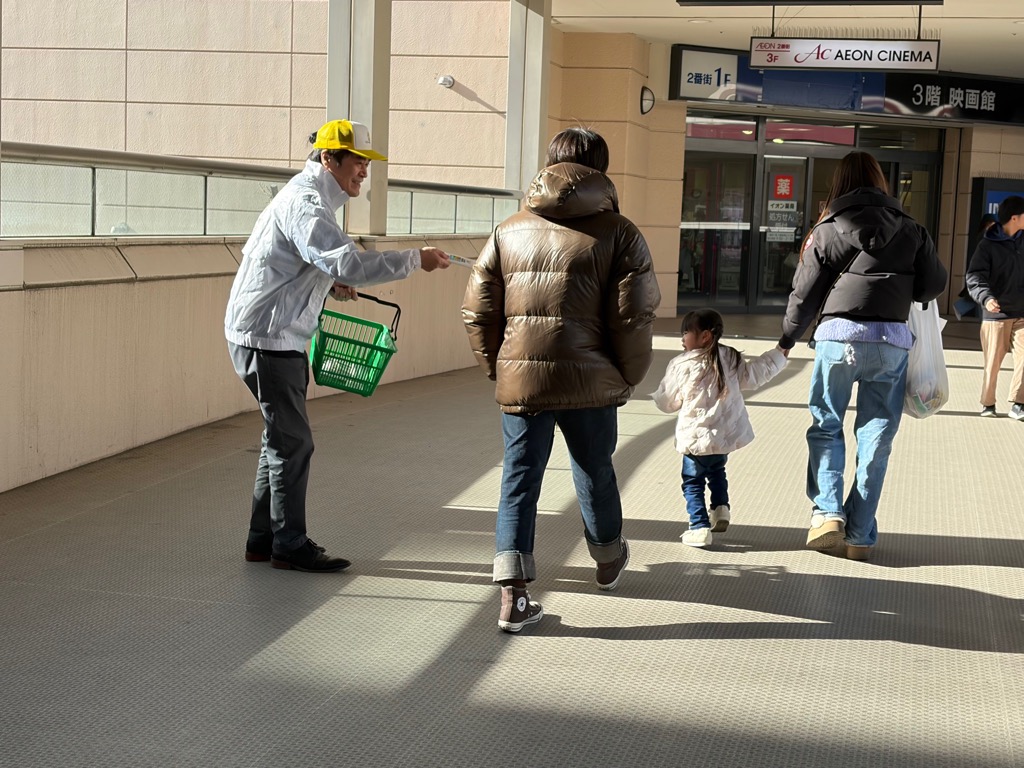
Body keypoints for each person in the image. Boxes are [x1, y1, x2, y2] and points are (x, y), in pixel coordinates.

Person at [225, 119, 450, 573]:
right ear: (329, 158)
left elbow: (300, 263)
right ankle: (288, 544)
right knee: (294, 443)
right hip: (269, 338)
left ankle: (262, 539)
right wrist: (415, 259)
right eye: (357, 161)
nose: (364, 172)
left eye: (367, 163)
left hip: (271, 333)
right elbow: (345, 260)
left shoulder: (312, 202)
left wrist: (329, 284)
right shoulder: (306, 203)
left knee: (280, 440)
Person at [462, 127, 661, 632]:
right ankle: (608, 559)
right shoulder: (621, 232)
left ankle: (513, 596)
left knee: (518, 477)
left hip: (521, 378)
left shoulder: (508, 230)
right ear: (602, 170)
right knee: (594, 468)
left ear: (549, 166)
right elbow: (634, 314)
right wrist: (627, 375)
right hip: (592, 378)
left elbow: (477, 310)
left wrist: (500, 369)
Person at [778, 151, 947, 561]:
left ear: (839, 184)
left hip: (838, 339)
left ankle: (828, 512)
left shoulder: (827, 230)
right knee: (876, 437)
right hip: (891, 342)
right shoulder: (912, 229)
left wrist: (787, 338)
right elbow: (932, 286)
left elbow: (805, 293)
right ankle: (859, 535)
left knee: (826, 424)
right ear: (880, 182)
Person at [652, 309, 788, 548]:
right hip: (723, 439)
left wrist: (661, 398)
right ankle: (721, 508)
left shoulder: (681, 364)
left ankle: (699, 527)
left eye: (686, 332)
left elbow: (668, 401)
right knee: (717, 472)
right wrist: (779, 354)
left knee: (692, 482)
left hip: (695, 441)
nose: (682, 337)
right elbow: (756, 374)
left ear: (704, 336)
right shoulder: (731, 358)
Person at [965, 195, 1024, 419]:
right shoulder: (987, 245)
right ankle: (988, 403)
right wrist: (986, 297)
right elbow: (975, 277)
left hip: (1022, 312)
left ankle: (1019, 403)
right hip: (996, 314)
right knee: (992, 364)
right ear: (1015, 218)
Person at [954, 213, 998, 320]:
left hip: (982, 270)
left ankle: (962, 307)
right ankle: (962, 307)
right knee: (982, 294)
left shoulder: (984, 234)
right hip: (984, 271)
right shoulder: (986, 235)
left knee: (979, 294)